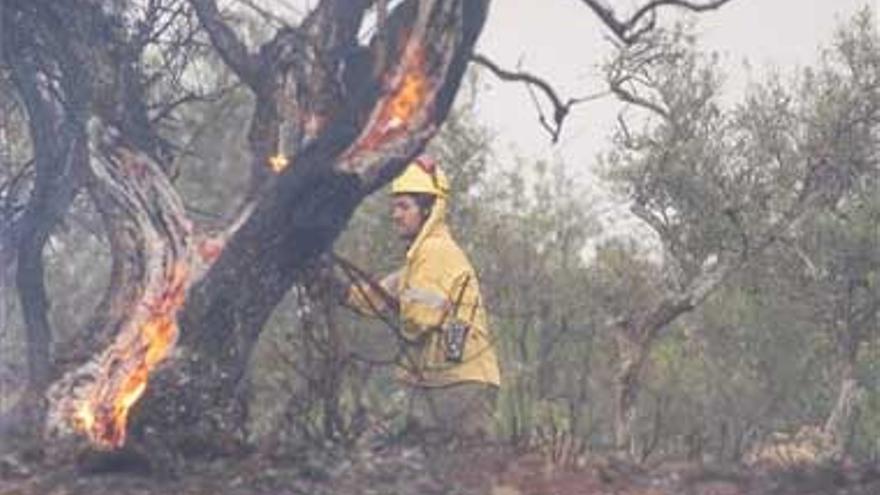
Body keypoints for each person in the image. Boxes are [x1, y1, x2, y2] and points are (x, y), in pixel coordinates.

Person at [342, 155, 500, 447]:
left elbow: (419, 318)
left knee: (463, 468)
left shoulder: (434, 251)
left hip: (457, 380)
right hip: (442, 378)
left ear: (429, 209)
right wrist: (339, 289)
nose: (395, 215)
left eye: (404, 206)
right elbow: (379, 295)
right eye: (394, 206)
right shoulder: (420, 261)